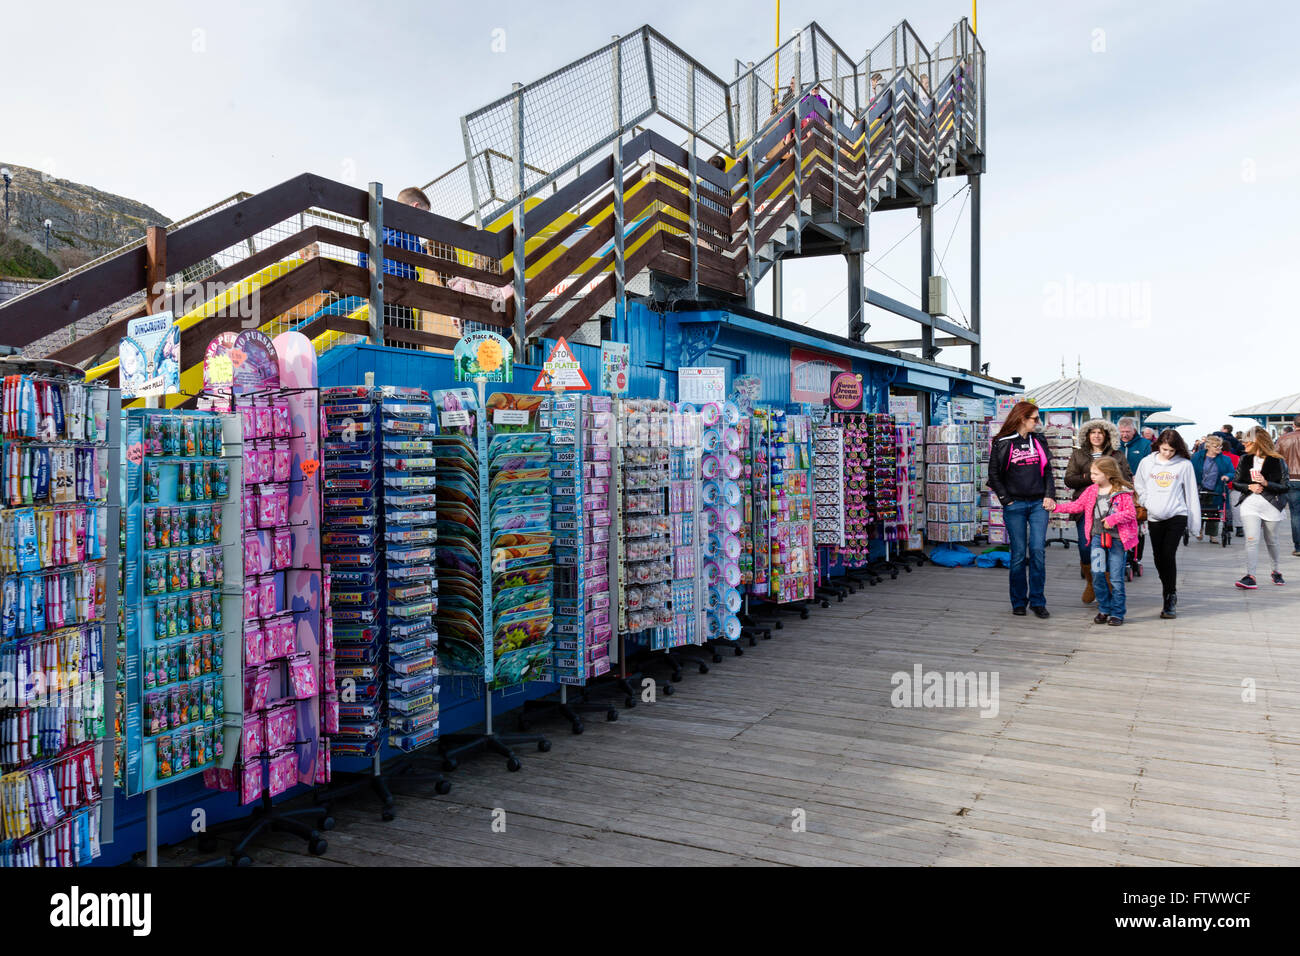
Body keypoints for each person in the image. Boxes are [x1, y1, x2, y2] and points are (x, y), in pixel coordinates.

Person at [1046, 458, 1140, 625]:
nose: (1092, 476)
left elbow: (1131, 513)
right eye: (1092, 473)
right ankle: (1104, 608)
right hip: (1097, 537)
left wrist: (1114, 518)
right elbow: (1077, 506)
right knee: (1097, 573)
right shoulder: (1091, 491)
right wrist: (1056, 508)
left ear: (1108, 474)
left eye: (1096, 473)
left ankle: (1117, 612)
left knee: (1117, 577)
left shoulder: (1122, 492)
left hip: (1118, 540)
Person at [987, 402, 1056, 618]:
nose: (1038, 422)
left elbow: (1048, 472)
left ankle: (1037, 601)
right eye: (1035, 418)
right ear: (1022, 419)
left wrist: (1049, 495)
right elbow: (994, 475)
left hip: (1038, 504)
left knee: (1037, 551)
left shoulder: (1039, 440)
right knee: (1018, 555)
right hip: (1014, 504)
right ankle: (1018, 601)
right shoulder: (1002, 442)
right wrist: (1005, 499)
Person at [1063, 419, 1132, 604]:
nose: (1096, 435)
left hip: (1111, 508)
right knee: (1085, 548)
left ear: (1107, 435)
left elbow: (1126, 477)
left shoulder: (1117, 455)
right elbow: (1069, 479)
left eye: (1100, 432)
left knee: (1110, 548)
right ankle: (1092, 581)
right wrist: (1093, 478)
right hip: (1085, 506)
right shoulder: (1078, 454)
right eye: (1092, 432)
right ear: (1087, 435)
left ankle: (1107, 584)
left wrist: (1110, 482)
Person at [1134, 430, 1200, 618]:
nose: (1167, 453)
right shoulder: (1147, 463)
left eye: (1171, 450)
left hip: (1177, 514)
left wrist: (1195, 524)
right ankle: (1167, 587)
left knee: (1168, 554)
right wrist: (1147, 502)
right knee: (1158, 557)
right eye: (1164, 449)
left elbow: (1191, 493)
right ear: (1158, 445)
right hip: (1155, 516)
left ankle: (1170, 596)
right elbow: (1139, 486)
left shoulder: (1184, 465)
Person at [1233, 428, 1291, 588]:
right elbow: (1236, 482)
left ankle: (1276, 571)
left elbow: (1286, 486)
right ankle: (1250, 576)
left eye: (1247, 441)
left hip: (1271, 504)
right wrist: (1249, 487)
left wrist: (1266, 483)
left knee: (1271, 541)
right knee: (1251, 540)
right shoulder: (1244, 459)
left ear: (1258, 442)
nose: (1243, 443)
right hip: (1249, 505)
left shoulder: (1277, 460)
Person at [1116, 417, 1152, 571]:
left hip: (1137, 491)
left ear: (1134, 430)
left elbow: (1151, 466)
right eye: (1122, 432)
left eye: (1127, 432)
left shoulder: (1145, 444)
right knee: (1119, 523)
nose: (1124, 435)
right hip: (1117, 490)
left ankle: (1136, 557)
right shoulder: (1115, 445)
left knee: (1138, 523)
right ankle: (1119, 556)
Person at [1191, 435, 1234, 538]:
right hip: (1200, 487)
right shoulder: (1197, 457)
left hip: (1217, 488)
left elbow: (1232, 472)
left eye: (1220, 446)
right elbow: (1190, 469)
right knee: (1199, 510)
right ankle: (1199, 530)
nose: (1219, 449)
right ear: (1208, 446)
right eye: (1216, 446)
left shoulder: (1225, 459)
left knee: (1214, 512)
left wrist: (1227, 477)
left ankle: (1212, 535)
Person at [1276, 415, 1300, 556]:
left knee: (1295, 513)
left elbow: (1275, 459)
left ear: (1293, 424)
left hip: (1291, 479)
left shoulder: (1284, 439)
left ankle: (1298, 547)